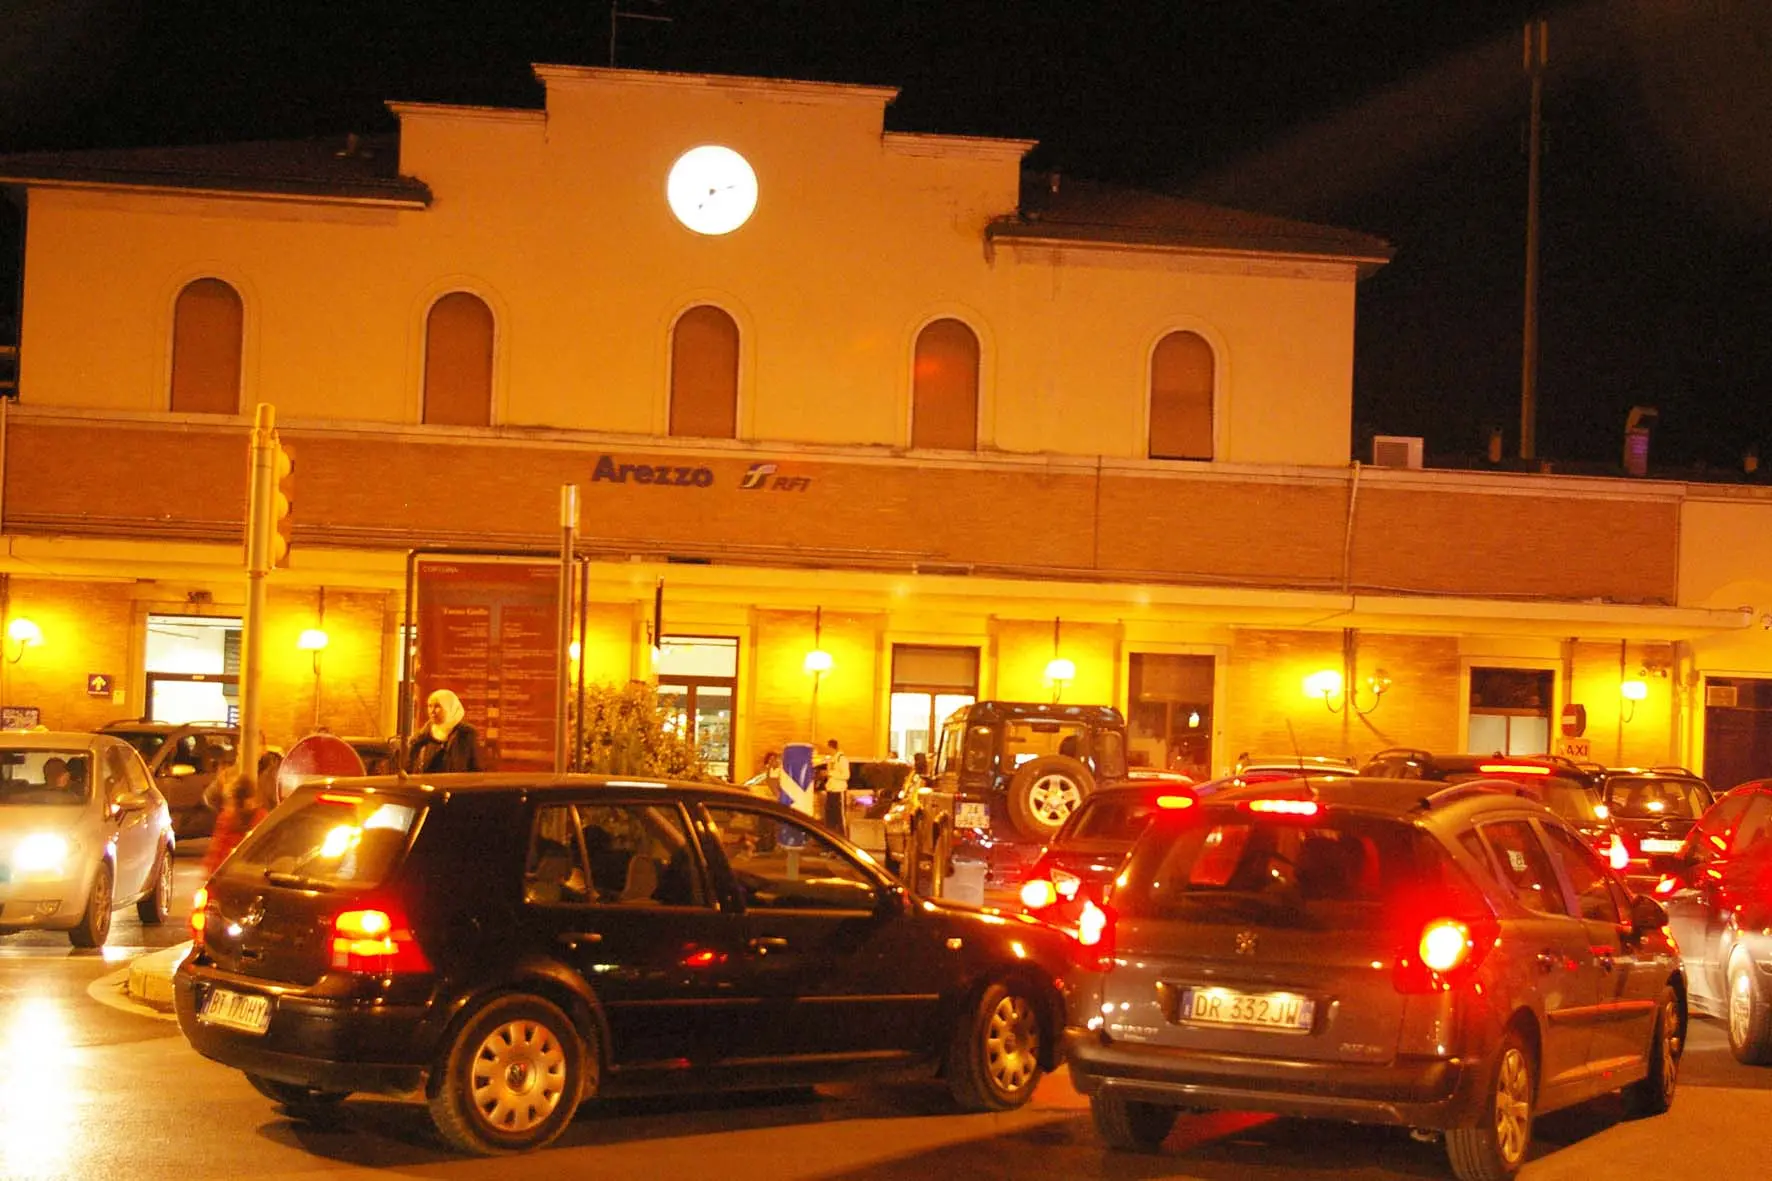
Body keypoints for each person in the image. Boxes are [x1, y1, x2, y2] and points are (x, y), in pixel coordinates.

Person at [204, 773, 266, 876]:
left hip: (228, 875)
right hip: (250, 875)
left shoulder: (227, 818)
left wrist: (210, 872)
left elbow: (216, 852)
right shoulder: (261, 818)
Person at [407, 688, 481, 773]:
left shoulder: (466, 733)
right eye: (429, 706)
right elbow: (411, 762)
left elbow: (476, 767)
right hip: (430, 784)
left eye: (437, 706)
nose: (432, 711)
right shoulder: (426, 733)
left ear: (449, 707)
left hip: (457, 784)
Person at [823, 737, 850, 831]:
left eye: (828, 748)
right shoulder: (831, 759)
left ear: (831, 748)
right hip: (831, 790)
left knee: (840, 816)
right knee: (830, 816)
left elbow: (846, 775)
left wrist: (830, 773)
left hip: (839, 791)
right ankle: (830, 836)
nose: (827, 751)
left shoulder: (841, 759)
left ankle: (843, 836)